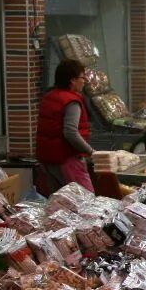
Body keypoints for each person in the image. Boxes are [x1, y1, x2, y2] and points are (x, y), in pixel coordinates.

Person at [35, 59, 95, 193]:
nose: (84, 81)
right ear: (72, 80)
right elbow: (70, 132)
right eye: (82, 77)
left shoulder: (49, 97)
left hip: (47, 159)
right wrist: (91, 152)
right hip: (67, 159)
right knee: (86, 200)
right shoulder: (71, 101)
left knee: (59, 203)